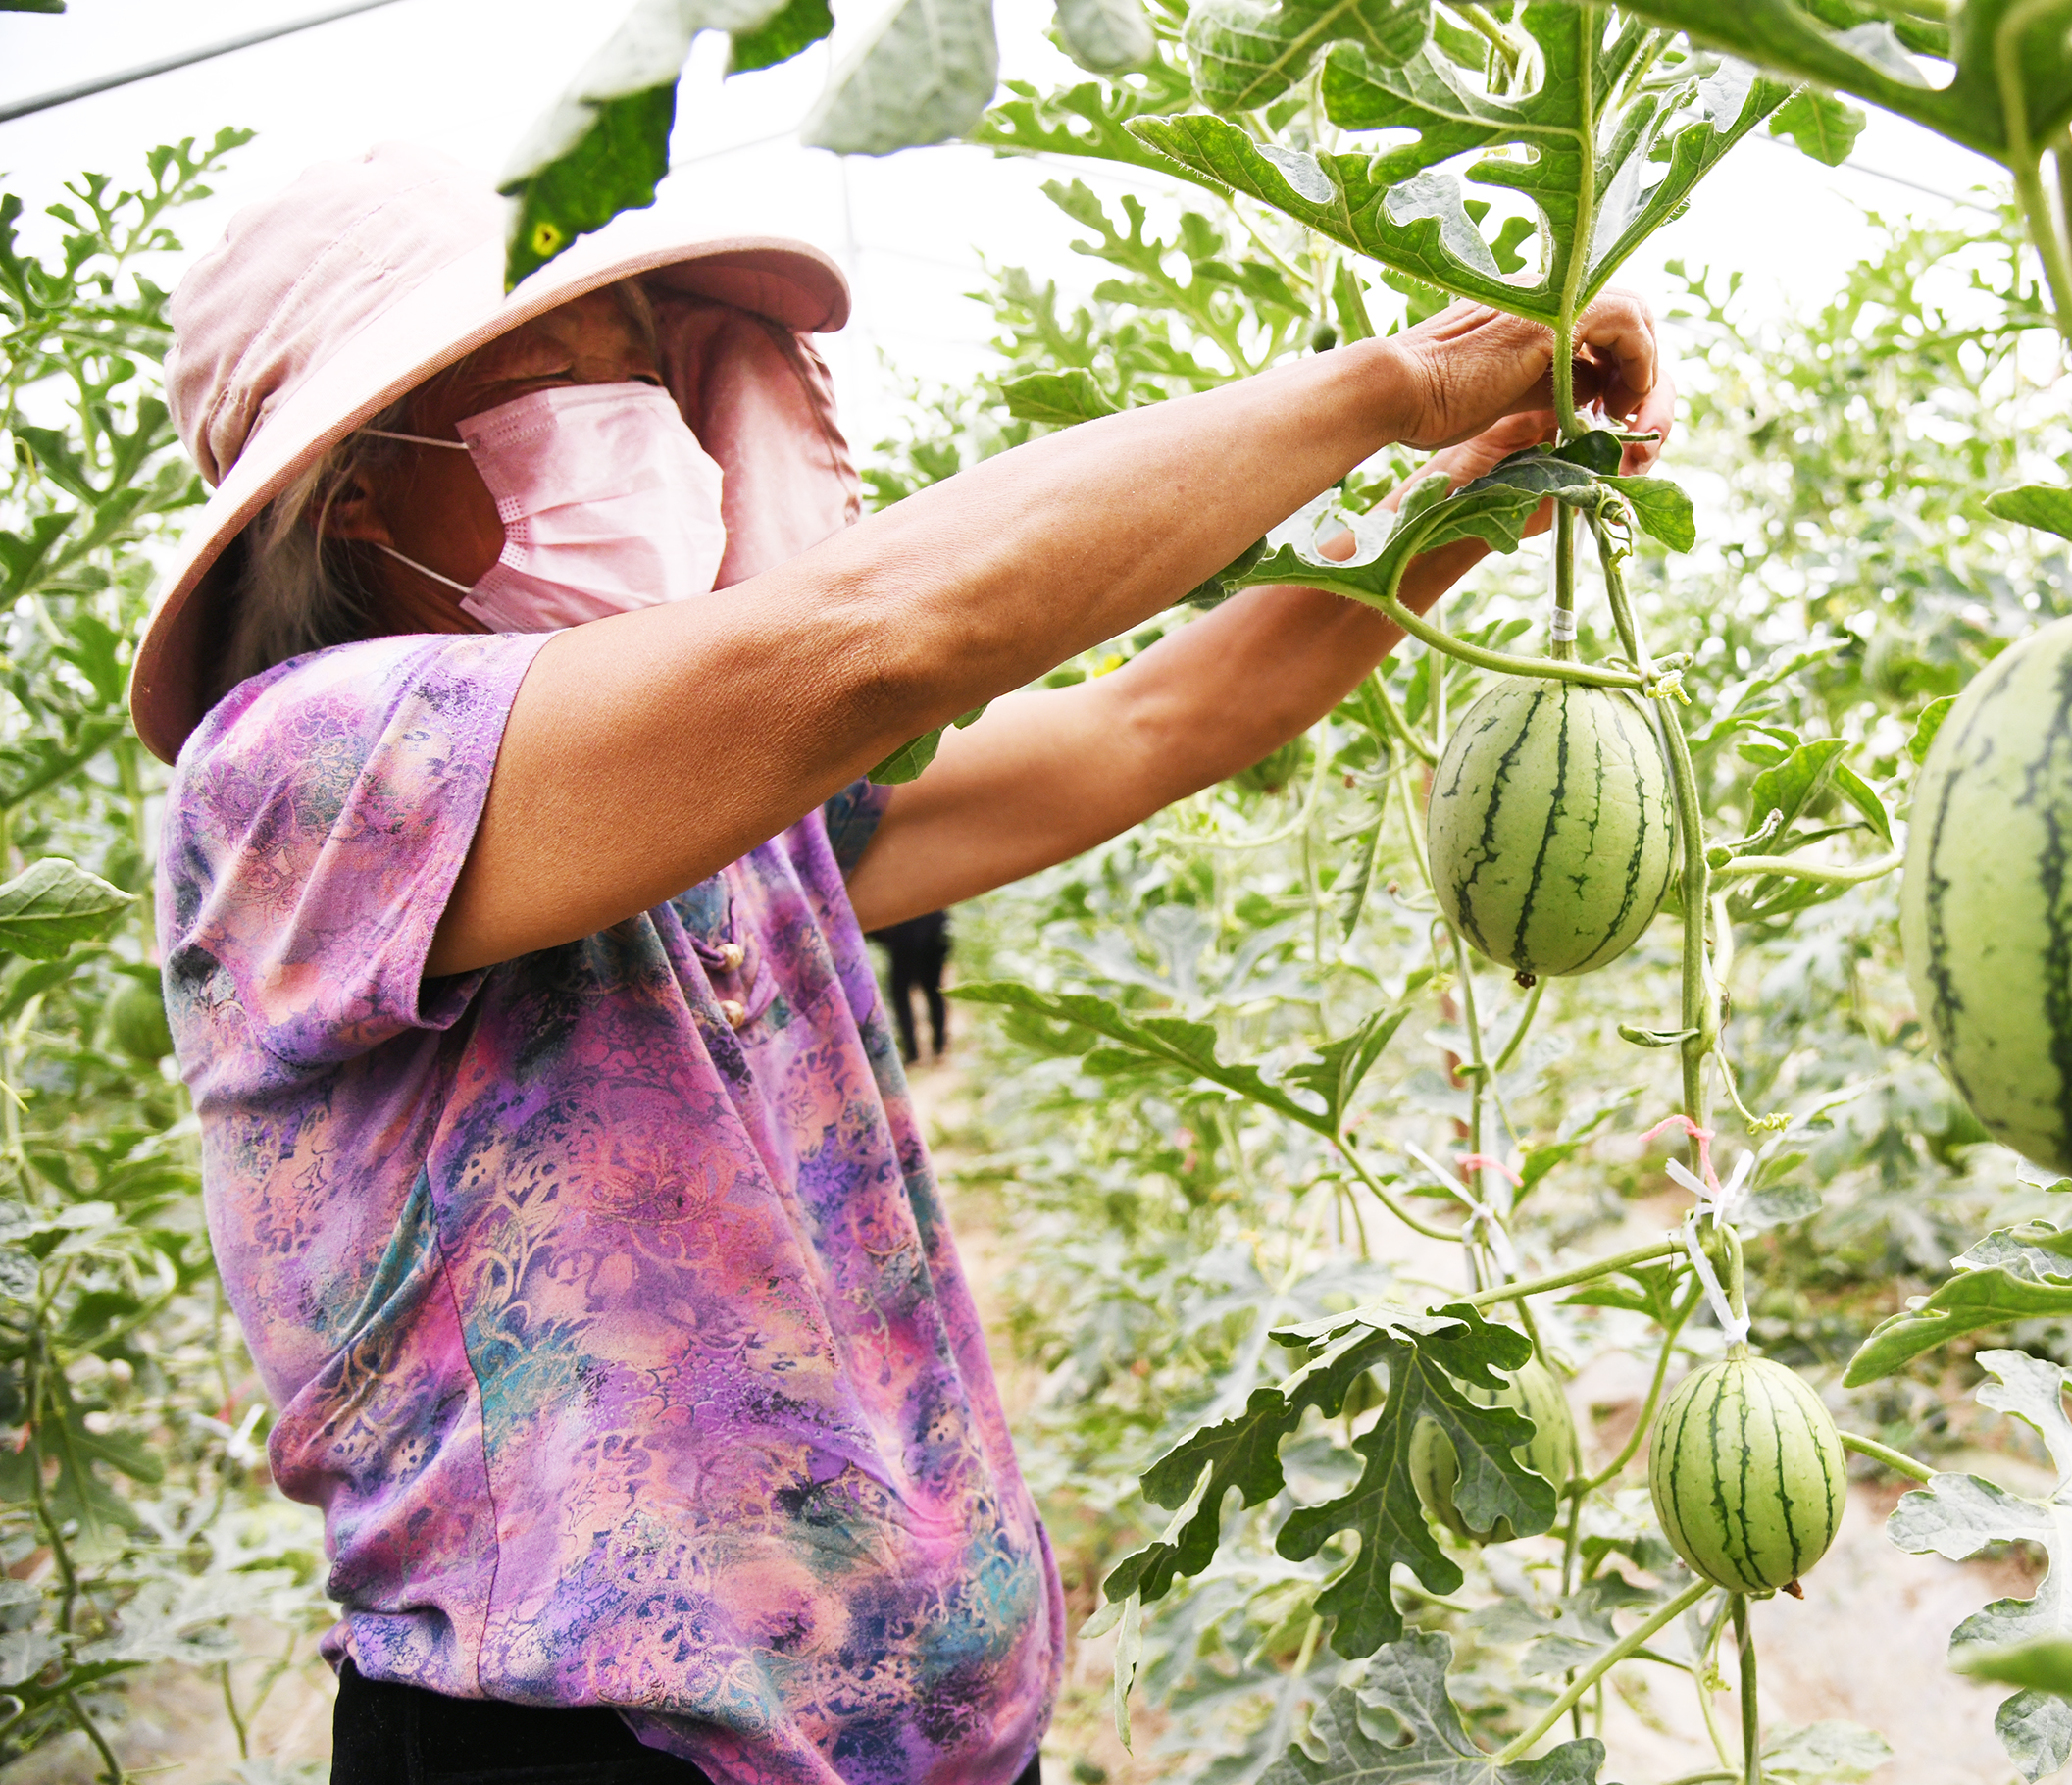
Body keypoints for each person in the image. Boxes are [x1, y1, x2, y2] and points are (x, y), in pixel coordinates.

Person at [139, 145, 1668, 1785]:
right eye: (561, 380)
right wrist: (1401, 385)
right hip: (592, 1756)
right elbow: (882, 635)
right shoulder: (296, 777)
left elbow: (1152, 725)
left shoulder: (733, 813)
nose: (640, 418)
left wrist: (1473, 497)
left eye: (644, 369)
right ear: (357, 491)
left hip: (925, 1740)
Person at [869, 909, 951, 1064]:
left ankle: (913, 1052)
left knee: (902, 993)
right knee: (934, 989)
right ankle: (938, 1046)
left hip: (907, 934)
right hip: (934, 928)